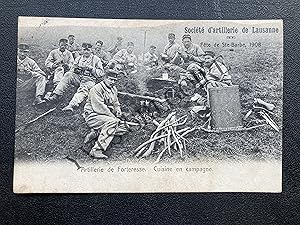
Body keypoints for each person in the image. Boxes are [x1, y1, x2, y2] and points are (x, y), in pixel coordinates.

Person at [83, 69, 128, 159]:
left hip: (104, 117)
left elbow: (116, 103)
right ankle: (96, 150)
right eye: (110, 79)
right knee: (113, 123)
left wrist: (118, 110)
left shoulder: (113, 89)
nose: (112, 82)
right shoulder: (96, 89)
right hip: (93, 115)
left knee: (125, 127)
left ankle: (96, 132)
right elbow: (100, 107)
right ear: (105, 78)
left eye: (114, 80)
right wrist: (114, 118)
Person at [47, 43, 104, 112]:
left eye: (88, 50)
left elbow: (101, 73)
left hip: (89, 80)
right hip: (78, 78)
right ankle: (56, 95)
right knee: (68, 74)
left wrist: (91, 69)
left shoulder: (96, 59)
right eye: (84, 50)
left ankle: (71, 105)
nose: (86, 52)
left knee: (83, 89)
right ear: (82, 50)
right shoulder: (78, 58)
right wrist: (75, 70)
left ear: (91, 50)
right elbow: (72, 69)